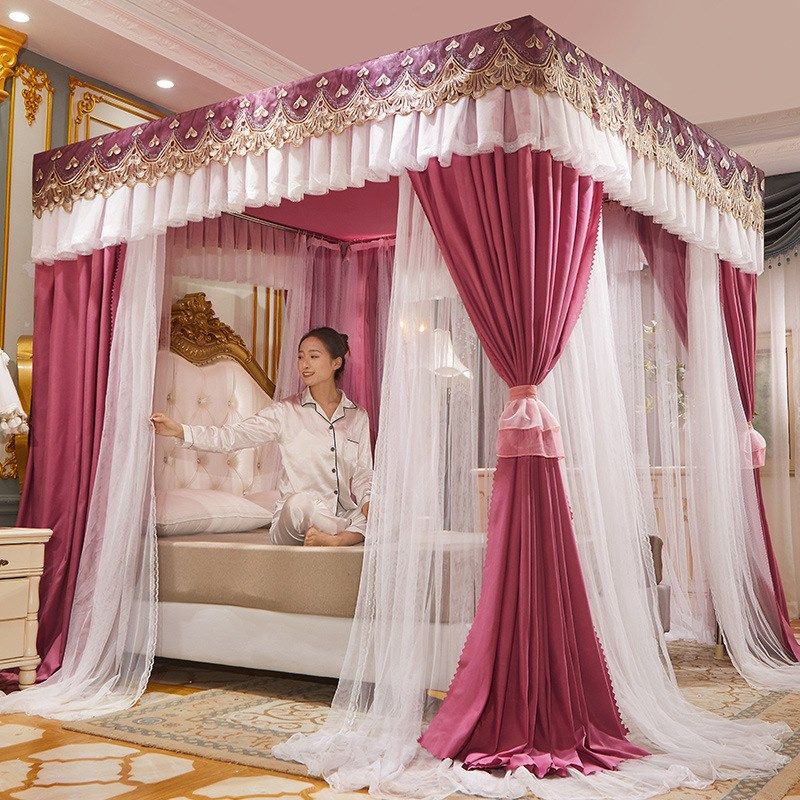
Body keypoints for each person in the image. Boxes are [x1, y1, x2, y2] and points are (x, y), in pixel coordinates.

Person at [151, 327, 371, 547]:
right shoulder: (284, 412)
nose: (304, 365)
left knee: (377, 511)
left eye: (313, 357)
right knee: (300, 503)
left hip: (343, 511)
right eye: (300, 357)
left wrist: (369, 504)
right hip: (294, 517)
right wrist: (180, 430)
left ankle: (336, 538)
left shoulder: (358, 416)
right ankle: (345, 535)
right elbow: (231, 436)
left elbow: (363, 473)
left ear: (336, 363)